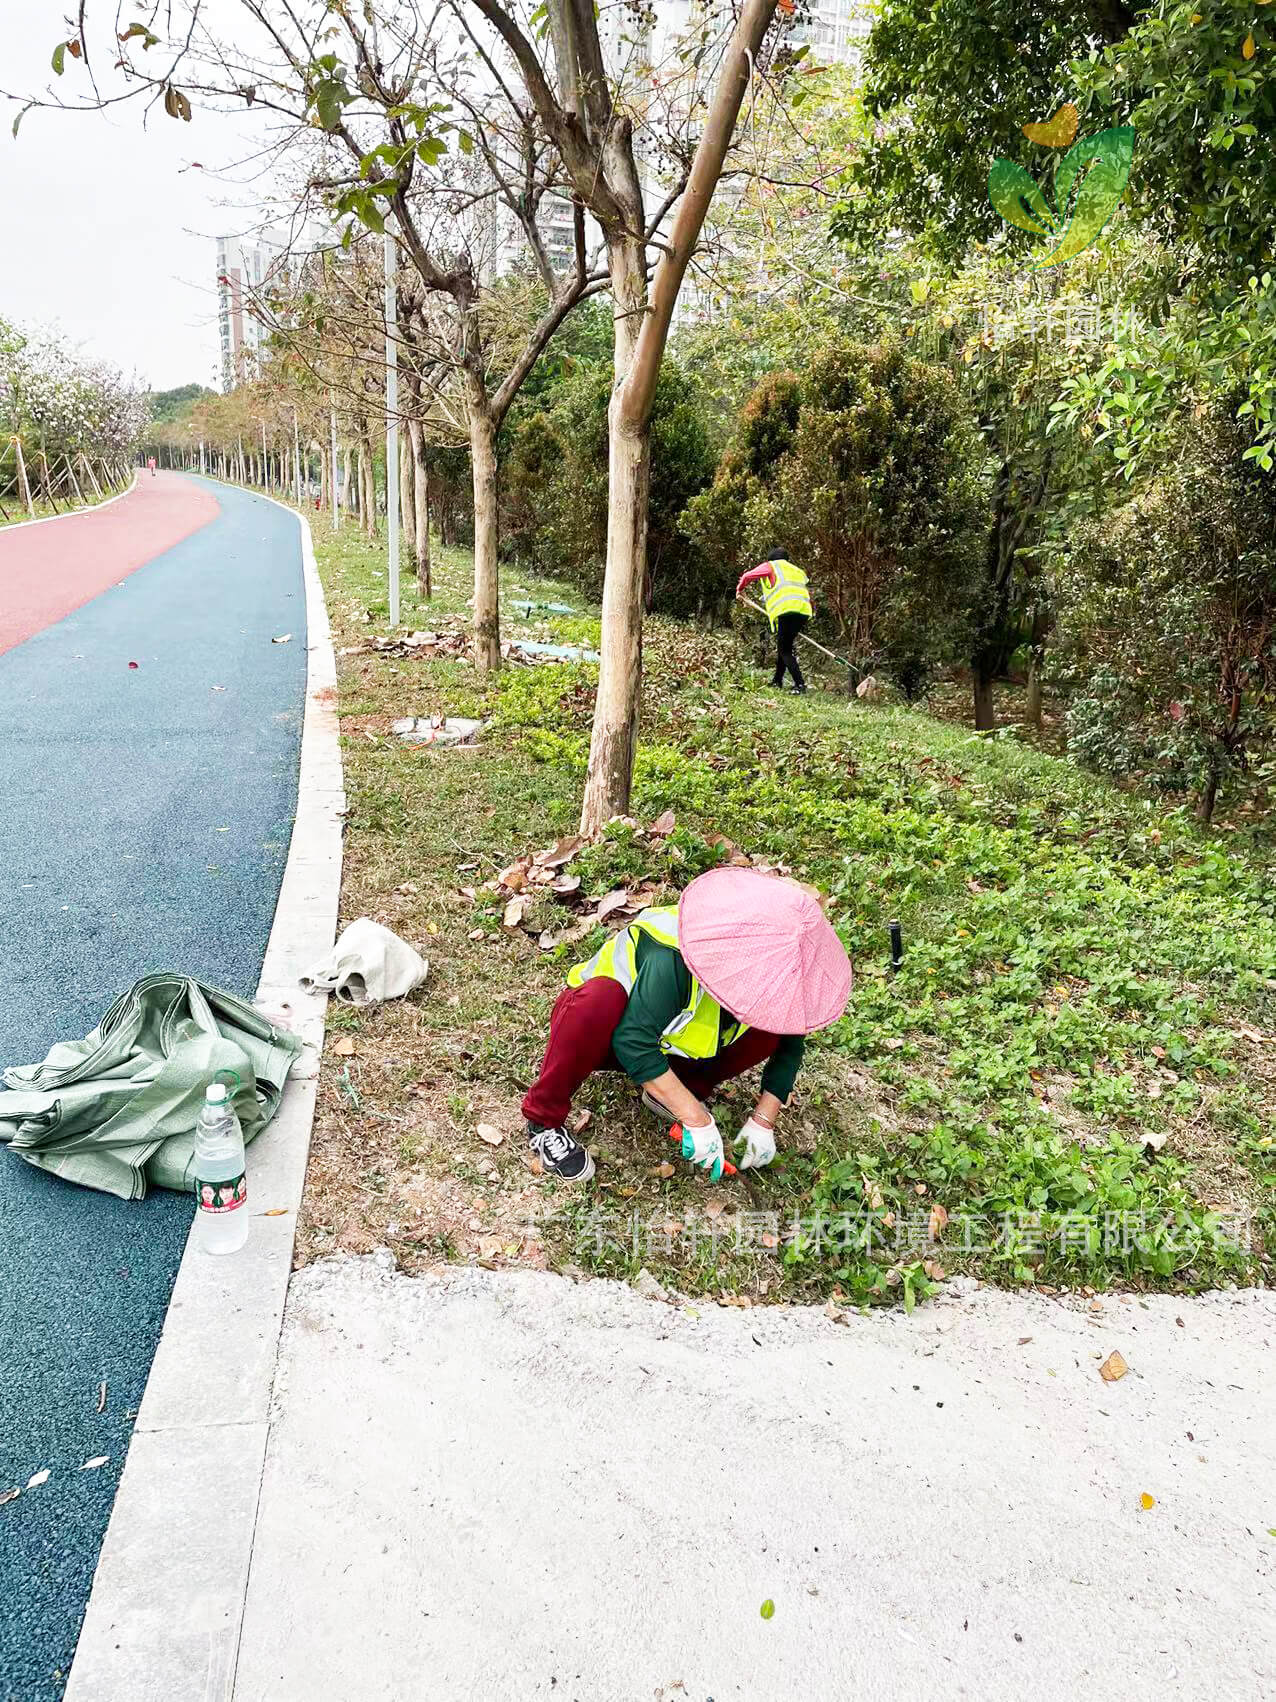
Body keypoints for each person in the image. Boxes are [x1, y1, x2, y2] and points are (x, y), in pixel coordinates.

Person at [522, 867, 852, 1183]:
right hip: (601, 1035)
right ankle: (543, 1121)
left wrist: (763, 1121)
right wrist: (696, 1118)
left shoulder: (780, 980)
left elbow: (790, 1044)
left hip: (664, 1044)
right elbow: (632, 1040)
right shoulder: (673, 955)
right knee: (599, 999)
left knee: (771, 1031)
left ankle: (673, 1091)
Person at [736, 552, 813, 693]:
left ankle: (800, 684)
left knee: (785, 650)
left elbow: (747, 576)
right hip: (803, 611)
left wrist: (739, 590)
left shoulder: (771, 566)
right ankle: (777, 681)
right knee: (784, 647)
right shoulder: (796, 570)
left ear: (771, 558)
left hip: (786, 610)